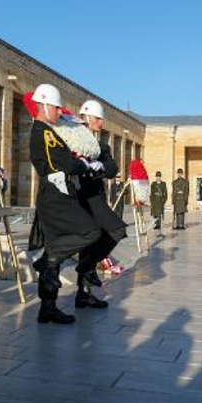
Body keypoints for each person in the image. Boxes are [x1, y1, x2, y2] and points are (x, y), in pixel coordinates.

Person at [28, 84, 112, 324]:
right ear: (43, 105)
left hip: (59, 194)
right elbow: (63, 162)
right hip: (54, 197)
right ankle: (47, 261)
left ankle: (48, 306)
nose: (58, 111)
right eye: (55, 107)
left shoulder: (51, 130)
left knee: (58, 245)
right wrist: (83, 165)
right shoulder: (43, 132)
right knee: (89, 232)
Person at [76, 99, 127, 308]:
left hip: (96, 198)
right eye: (98, 118)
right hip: (80, 198)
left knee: (114, 231)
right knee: (85, 244)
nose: (101, 123)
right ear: (87, 117)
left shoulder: (102, 146)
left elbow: (113, 168)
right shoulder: (74, 142)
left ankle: (86, 269)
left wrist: (99, 165)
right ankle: (82, 292)